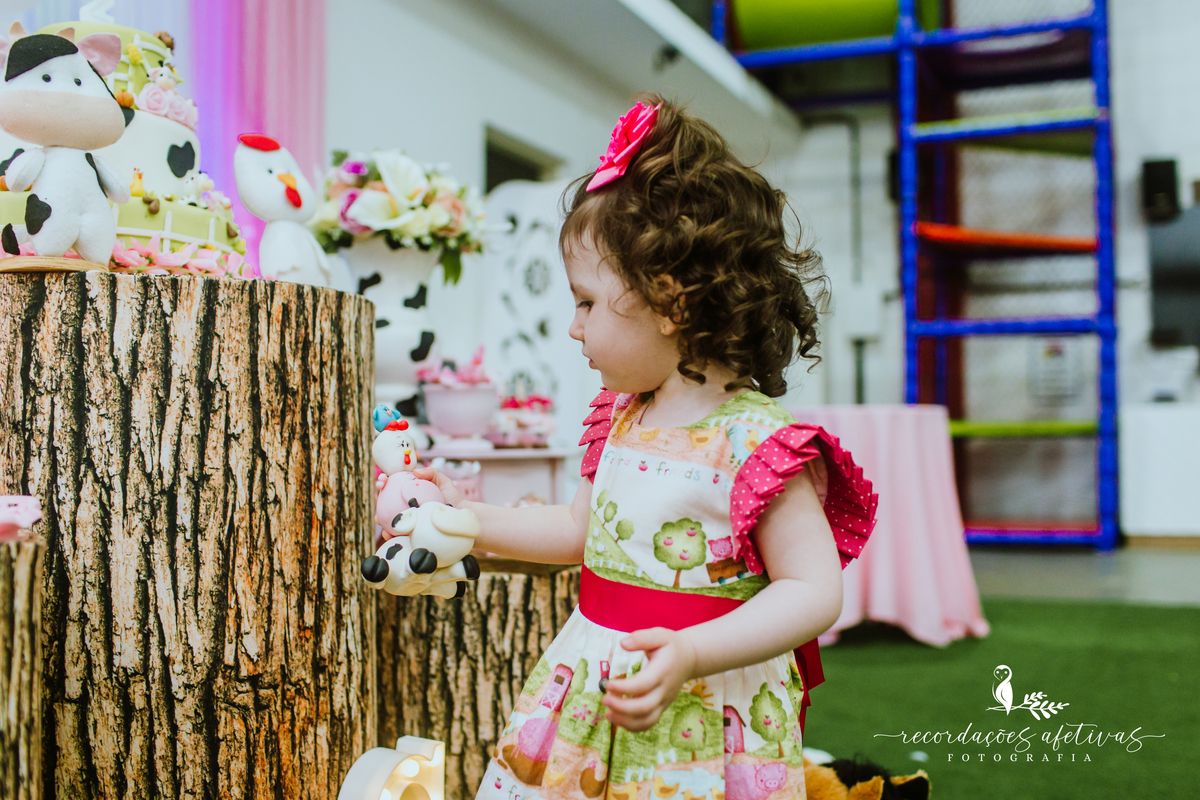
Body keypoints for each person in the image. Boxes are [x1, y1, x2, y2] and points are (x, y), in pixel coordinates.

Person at [406, 95, 877, 800]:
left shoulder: (757, 444)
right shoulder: (621, 417)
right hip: (595, 696)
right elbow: (576, 531)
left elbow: (812, 592)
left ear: (670, 303)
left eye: (587, 303)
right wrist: (466, 520)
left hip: (707, 715)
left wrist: (692, 650)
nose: (573, 327)